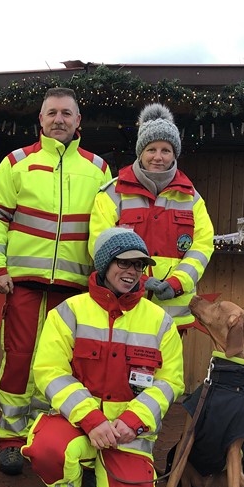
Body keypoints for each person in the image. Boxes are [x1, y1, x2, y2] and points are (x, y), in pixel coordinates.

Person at [22, 227, 184, 487]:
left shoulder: (161, 321)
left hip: (129, 435)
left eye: (139, 265)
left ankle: (103, 476)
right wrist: (91, 420)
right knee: (46, 448)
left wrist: (133, 421)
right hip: (78, 425)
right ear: (105, 264)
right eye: (124, 263)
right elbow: (49, 371)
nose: (132, 272)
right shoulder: (69, 313)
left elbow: (170, 382)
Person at [0, 87, 113, 475]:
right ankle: (10, 437)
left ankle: (44, 436)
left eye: (66, 113)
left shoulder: (98, 169)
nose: (59, 119)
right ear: (40, 120)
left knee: (60, 365)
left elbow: (106, 230)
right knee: (18, 359)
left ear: (78, 121)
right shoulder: (16, 162)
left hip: (74, 287)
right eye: (52, 112)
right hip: (21, 283)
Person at [89, 103, 214, 330]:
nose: (158, 157)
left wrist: (178, 283)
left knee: (169, 367)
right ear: (140, 152)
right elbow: (100, 244)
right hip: (124, 310)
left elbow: (202, 247)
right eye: (151, 149)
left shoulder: (192, 198)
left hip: (174, 316)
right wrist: (141, 280)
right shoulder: (112, 193)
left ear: (174, 153)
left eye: (166, 150)